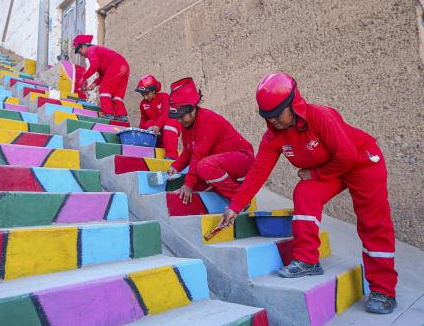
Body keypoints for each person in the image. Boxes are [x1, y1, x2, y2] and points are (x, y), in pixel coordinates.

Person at [219, 72, 398, 314]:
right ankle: (307, 260)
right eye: (268, 117)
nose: (273, 121)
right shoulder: (274, 136)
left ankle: (383, 290)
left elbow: (347, 155)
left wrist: (315, 174)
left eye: (277, 114)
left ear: (293, 103)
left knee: (372, 222)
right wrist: (234, 206)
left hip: (362, 162)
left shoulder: (319, 116)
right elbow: (257, 172)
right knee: (305, 193)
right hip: (330, 169)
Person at [166, 77, 255, 204]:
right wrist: (176, 166)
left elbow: (198, 155)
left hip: (243, 158)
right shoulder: (186, 125)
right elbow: (188, 151)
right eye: (177, 117)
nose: (179, 120)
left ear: (192, 109)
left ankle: (240, 197)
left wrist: (189, 184)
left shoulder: (206, 120)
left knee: (204, 166)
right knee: (198, 182)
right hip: (219, 163)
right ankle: (228, 188)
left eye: (181, 116)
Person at [73, 34, 130, 122]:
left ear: (84, 46)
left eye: (79, 52)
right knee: (117, 94)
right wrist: (94, 83)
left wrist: (83, 77)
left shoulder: (91, 50)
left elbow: (95, 65)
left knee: (104, 88)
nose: (81, 55)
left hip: (115, 65)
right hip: (123, 66)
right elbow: (103, 75)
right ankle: (121, 115)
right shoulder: (97, 51)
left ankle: (108, 113)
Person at [135, 75, 180, 159]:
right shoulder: (143, 104)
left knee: (170, 122)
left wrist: (157, 125)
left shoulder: (164, 97)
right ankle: (157, 148)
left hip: (169, 124)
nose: (145, 97)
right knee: (148, 123)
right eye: (142, 95)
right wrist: (139, 132)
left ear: (154, 91)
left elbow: (166, 112)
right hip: (157, 128)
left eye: (147, 94)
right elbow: (143, 119)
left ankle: (171, 155)